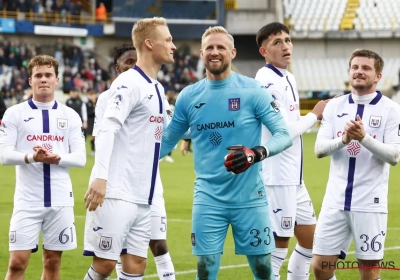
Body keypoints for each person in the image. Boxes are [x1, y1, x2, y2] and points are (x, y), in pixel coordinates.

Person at [159, 26, 292, 280]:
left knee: (264, 270)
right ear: (201, 53)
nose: (215, 52)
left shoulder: (253, 90)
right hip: (208, 199)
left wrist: (255, 154)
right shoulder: (188, 96)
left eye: (221, 47)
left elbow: (283, 135)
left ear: (232, 52)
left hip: (250, 198)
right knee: (205, 269)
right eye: (209, 47)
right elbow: (167, 140)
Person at [82, 17, 177, 280]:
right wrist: (100, 177)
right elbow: (107, 129)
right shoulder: (127, 83)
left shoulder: (157, 88)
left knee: (136, 264)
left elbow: (171, 132)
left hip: (144, 196)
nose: (174, 46)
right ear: (149, 43)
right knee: (104, 265)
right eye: (168, 40)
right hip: (116, 193)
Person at [312, 49, 400, 280]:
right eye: (355, 67)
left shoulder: (391, 109)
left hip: (370, 203)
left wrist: (364, 138)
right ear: (349, 71)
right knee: (320, 267)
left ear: (378, 76)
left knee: (369, 272)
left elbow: (394, 156)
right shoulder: (334, 106)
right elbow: (319, 150)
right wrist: (344, 139)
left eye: (366, 68)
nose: (359, 71)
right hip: (334, 201)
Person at [0, 54, 86, 280]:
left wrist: (56, 158)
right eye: (38, 75)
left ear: (57, 80)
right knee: (17, 263)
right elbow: (4, 155)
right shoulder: (15, 113)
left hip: (60, 201)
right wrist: (33, 157)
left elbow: (80, 158)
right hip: (27, 201)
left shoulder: (70, 115)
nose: (43, 79)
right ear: (30, 80)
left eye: (48, 75)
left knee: (52, 262)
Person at [254, 22, 328, 280]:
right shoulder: (265, 80)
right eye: (277, 42)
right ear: (264, 51)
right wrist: (316, 115)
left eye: (287, 40)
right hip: (277, 178)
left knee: (311, 242)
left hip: (294, 178)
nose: (285, 46)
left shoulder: (288, 76)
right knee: (278, 246)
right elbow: (284, 131)